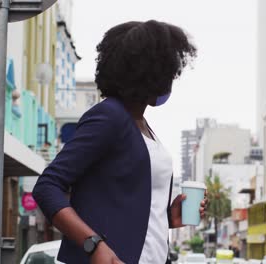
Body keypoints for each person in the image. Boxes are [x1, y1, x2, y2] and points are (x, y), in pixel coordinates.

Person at [32, 20, 202, 264]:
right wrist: (93, 245)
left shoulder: (143, 125)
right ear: (150, 72)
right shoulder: (110, 116)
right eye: (167, 71)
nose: (170, 80)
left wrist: (168, 216)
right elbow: (47, 186)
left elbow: (125, 203)